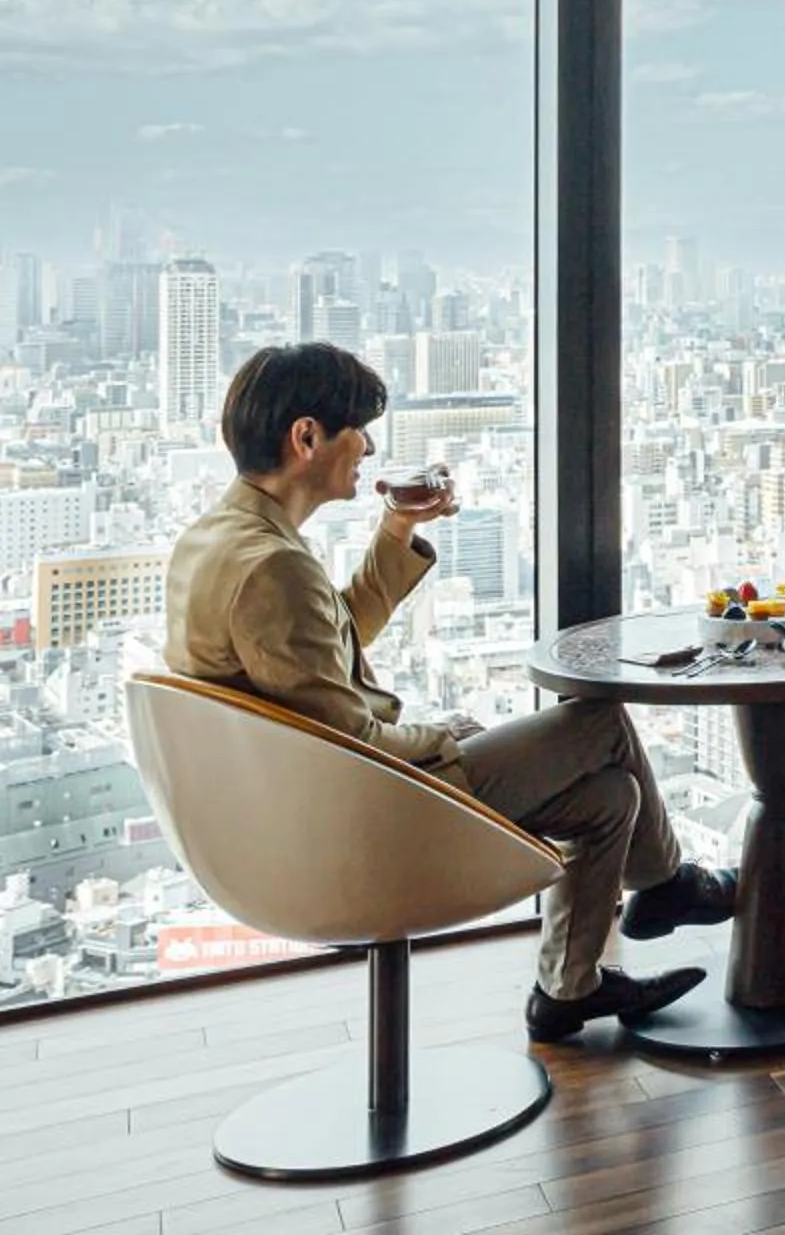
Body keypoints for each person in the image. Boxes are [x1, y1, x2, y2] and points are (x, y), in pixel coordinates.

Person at [164, 342, 737, 1041]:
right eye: (359, 430)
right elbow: (351, 740)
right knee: (599, 719)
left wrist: (399, 526)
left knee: (611, 797)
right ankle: (666, 883)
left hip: (305, 806)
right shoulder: (272, 568)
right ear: (307, 436)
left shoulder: (221, 540)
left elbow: (331, 650)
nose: (370, 447)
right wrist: (444, 736)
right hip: (362, 817)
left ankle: (569, 988)